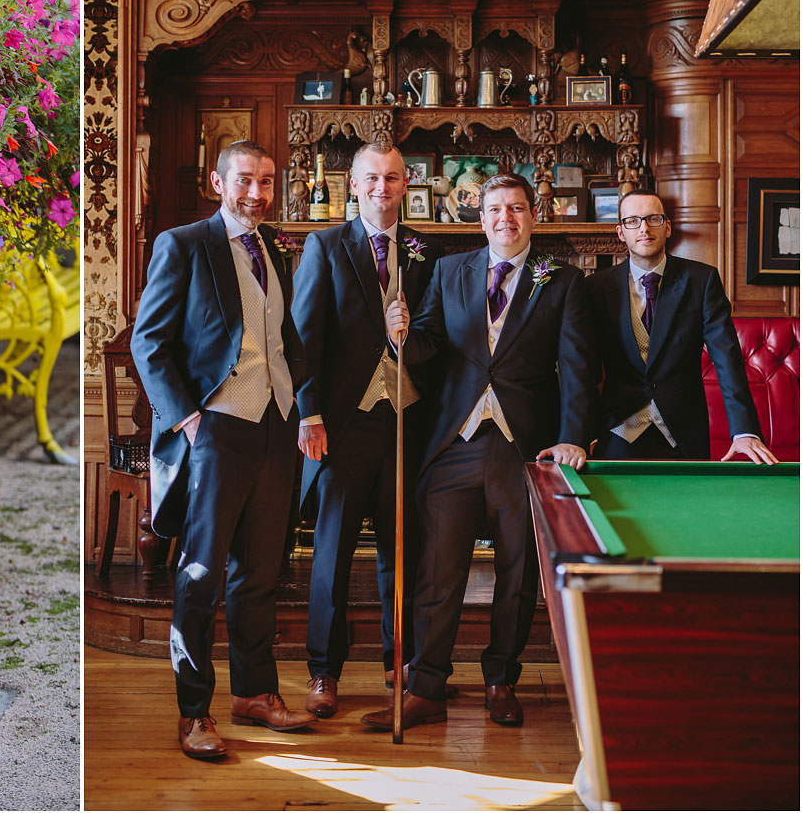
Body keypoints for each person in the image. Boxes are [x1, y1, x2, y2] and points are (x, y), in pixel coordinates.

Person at [360, 174, 593, 733]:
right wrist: (401, 334)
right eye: (494, 209)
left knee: (517, 574)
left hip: (526, 451)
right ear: (479, 216)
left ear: (534, 216)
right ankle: (427, 686)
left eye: (516, 209)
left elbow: (580, 369)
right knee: (437, 572)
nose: (504, 219)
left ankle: (501, 680)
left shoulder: (562, 282)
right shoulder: (450, 270)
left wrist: (573, 437)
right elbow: (428, 347)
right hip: (454, 445)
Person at [130, 140, 314, 762]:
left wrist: (303, 410)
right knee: (201, 576)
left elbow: (282, 340)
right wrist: (187, 420)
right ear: (218, 181)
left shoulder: (273, 251)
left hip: (273, 427)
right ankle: (194, 711)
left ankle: (255, 694)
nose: (257, 193)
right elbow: (148, 342)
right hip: (214, 429)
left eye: (266, 181)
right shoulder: (184, 245)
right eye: (245, 180)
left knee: (261, 575)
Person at [292, 145, 442, 716]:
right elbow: (305, 337)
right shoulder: (326, 245)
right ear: (353, 184)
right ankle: (323, 672)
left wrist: (408, 336)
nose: (383, 187)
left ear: (408, 184)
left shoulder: (427, 251)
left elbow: (438, 338)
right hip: (341, 423)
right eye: (372, 178)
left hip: (406, 420)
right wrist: (310, 415)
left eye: (393, 177)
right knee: (330, 552)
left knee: (399, 553)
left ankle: (396, 662)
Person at [585, 189, 776, 463]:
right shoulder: (595, 288)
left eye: (654, 219)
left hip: (684, 434)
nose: (644, 228)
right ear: (620, 232)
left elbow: (727, 359)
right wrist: (578, 435)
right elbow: (582, 367)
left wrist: (744, 431)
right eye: (633, 221)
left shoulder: (702, 281)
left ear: (668, 227)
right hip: (617, 430)